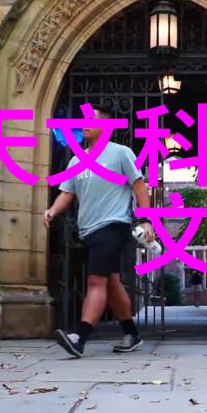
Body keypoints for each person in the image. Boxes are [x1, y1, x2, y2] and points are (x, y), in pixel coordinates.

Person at [44, 107, 155, 358]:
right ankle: (132, 334)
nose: (84, 123)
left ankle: (79, 337)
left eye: (91, 120)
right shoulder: (76, 160)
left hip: (114, 226)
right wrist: (52, 210)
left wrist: (146, 220)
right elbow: (67, 193)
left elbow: (139, 187)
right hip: (88, 231)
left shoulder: (121, 153)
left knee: (96, 281)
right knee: (111, 283)